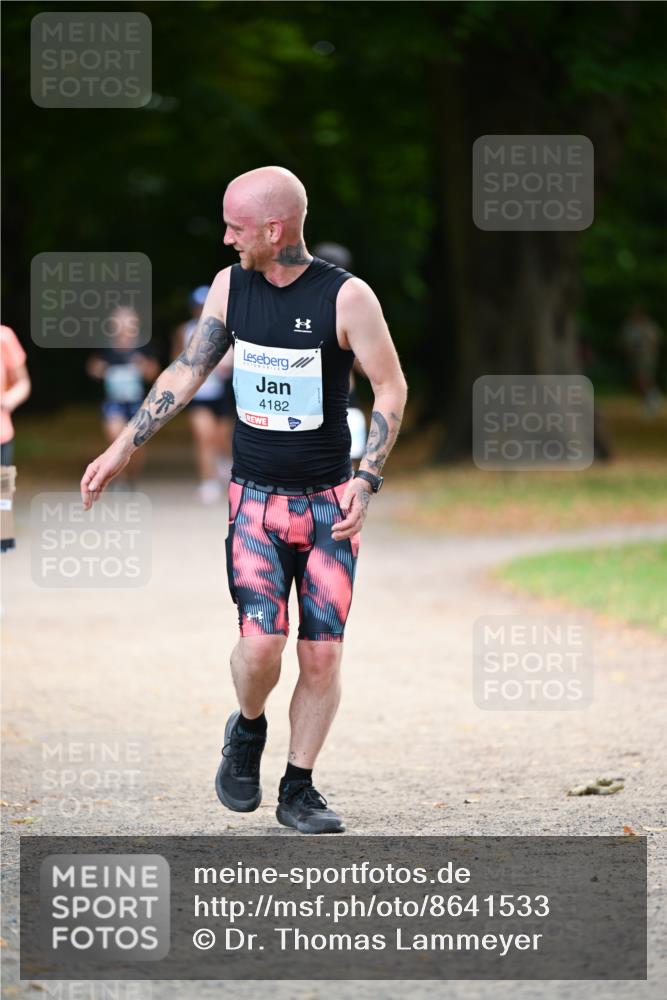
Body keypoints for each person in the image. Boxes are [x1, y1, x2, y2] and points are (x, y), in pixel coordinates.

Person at [80, 166, 408, 834]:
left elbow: (391, 388)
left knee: (320, 653)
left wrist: (365, 481)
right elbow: (188, 368)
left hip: (327, 509)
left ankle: (299, 788)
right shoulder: (232, 287)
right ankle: (247, 728)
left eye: (235, 226)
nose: (226, 238)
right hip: (254, 501)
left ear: (273, 227)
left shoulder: (346, 300)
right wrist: (123, 448)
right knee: (261, 649)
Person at [172, 286, 235, 504]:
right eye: (198, 306)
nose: (201, 310)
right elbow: (176, 361)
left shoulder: (228, 327)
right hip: (199, 394)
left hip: (224, 393)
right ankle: (208, 480)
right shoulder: (185, 330)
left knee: (222, 438)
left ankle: (224, 463)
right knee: (204, 436)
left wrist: (226, 367)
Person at [86, 306, 159, 486]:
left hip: (137, 403)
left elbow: (154, 373)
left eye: (128, 322)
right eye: (120, 321)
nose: (124, 326)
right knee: (114, 436)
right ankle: (120, 478)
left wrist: (142, 365)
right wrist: (100, 370)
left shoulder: (144, 345)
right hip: (114, 402)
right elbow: (92, 367)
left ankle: (131, 475)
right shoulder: (106, 346)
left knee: (136, 446)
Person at [620, 303, 664, 416]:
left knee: (644, 378)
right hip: (635, 357)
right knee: (638, 381)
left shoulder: (648, 325)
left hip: (646, 356)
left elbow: (657, 340)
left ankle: (653, 401)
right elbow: (624, 342)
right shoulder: (629, 326)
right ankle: (650, 399)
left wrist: (650, 351)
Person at [0, 324, 31, 466]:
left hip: (2, 436)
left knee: (3, 488)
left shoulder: (4, 336)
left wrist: (7, 400)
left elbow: (23, 383)